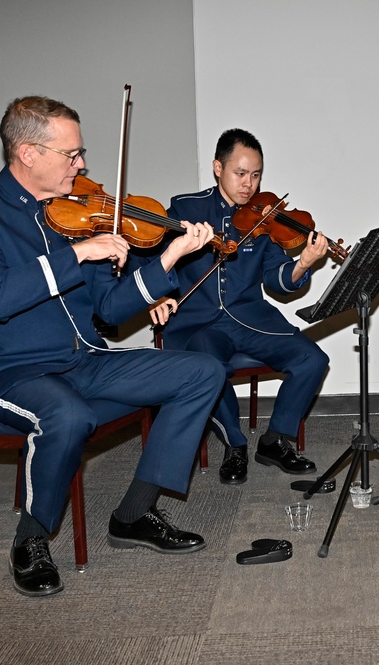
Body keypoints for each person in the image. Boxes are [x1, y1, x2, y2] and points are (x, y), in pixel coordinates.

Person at [0, 96, 227, 597]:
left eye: (82, 152)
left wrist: (170, 259)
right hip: (14, 372)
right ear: (28, 153)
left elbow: (112, 310)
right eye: (71, 154)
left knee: (201, 372)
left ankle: (134, 514)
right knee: (67, 416)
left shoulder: (76, 215)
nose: (83, 164)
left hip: (84, 359)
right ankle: (30, 540)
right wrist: (78, 253)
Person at [148, 129, 330, 486]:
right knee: (208, 366)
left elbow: (277, 280)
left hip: (250, 320)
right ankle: (235, 443)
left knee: (313, 359)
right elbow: (155, 258)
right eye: (240, 173)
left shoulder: (264, 218)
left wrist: (304, 263)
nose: (249, 184)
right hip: (199, 324)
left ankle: (275, 440)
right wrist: (157, 296)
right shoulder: (186, 208)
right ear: (218, 168)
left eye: (256, 174)